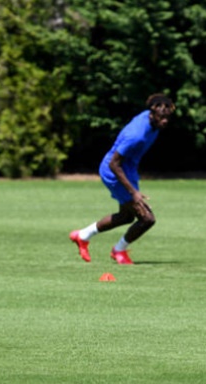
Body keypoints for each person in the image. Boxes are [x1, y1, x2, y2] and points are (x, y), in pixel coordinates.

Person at [70, 94, 175, 265]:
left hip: (128, 170)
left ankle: (82, 235)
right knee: (147, 218)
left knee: (127, 216)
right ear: (152, 113)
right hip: (114, 172)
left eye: (167, 117)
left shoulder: (152, 121)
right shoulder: (136, 134)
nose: (164, 121)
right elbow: (114, 164)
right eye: (161, 117)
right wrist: (133, 192)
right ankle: (119, 251)